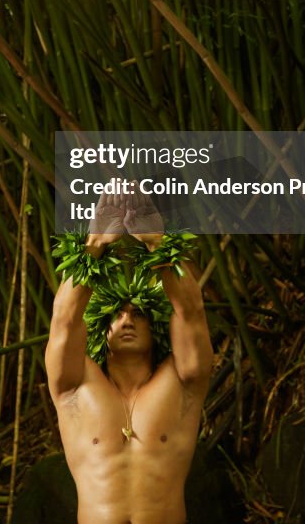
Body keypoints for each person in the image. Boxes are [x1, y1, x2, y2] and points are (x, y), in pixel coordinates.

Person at [45, 188, 213, 524]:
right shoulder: (75, 386)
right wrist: (93, 245)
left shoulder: (182, 382)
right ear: (101, 330)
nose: (126, 321)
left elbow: (191, 310)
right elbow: (64, 320)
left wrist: (157, 242)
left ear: (157, 328)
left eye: (137, 314)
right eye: (116, 315)